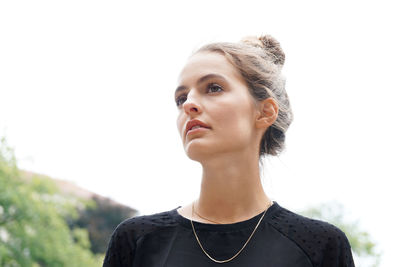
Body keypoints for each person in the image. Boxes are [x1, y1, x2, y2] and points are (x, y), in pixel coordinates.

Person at [103, 35, 355, 267]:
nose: (189, 103)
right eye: (181, 98)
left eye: (213, 87)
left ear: (265, 111)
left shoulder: (321, 246)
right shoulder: (137, 241)